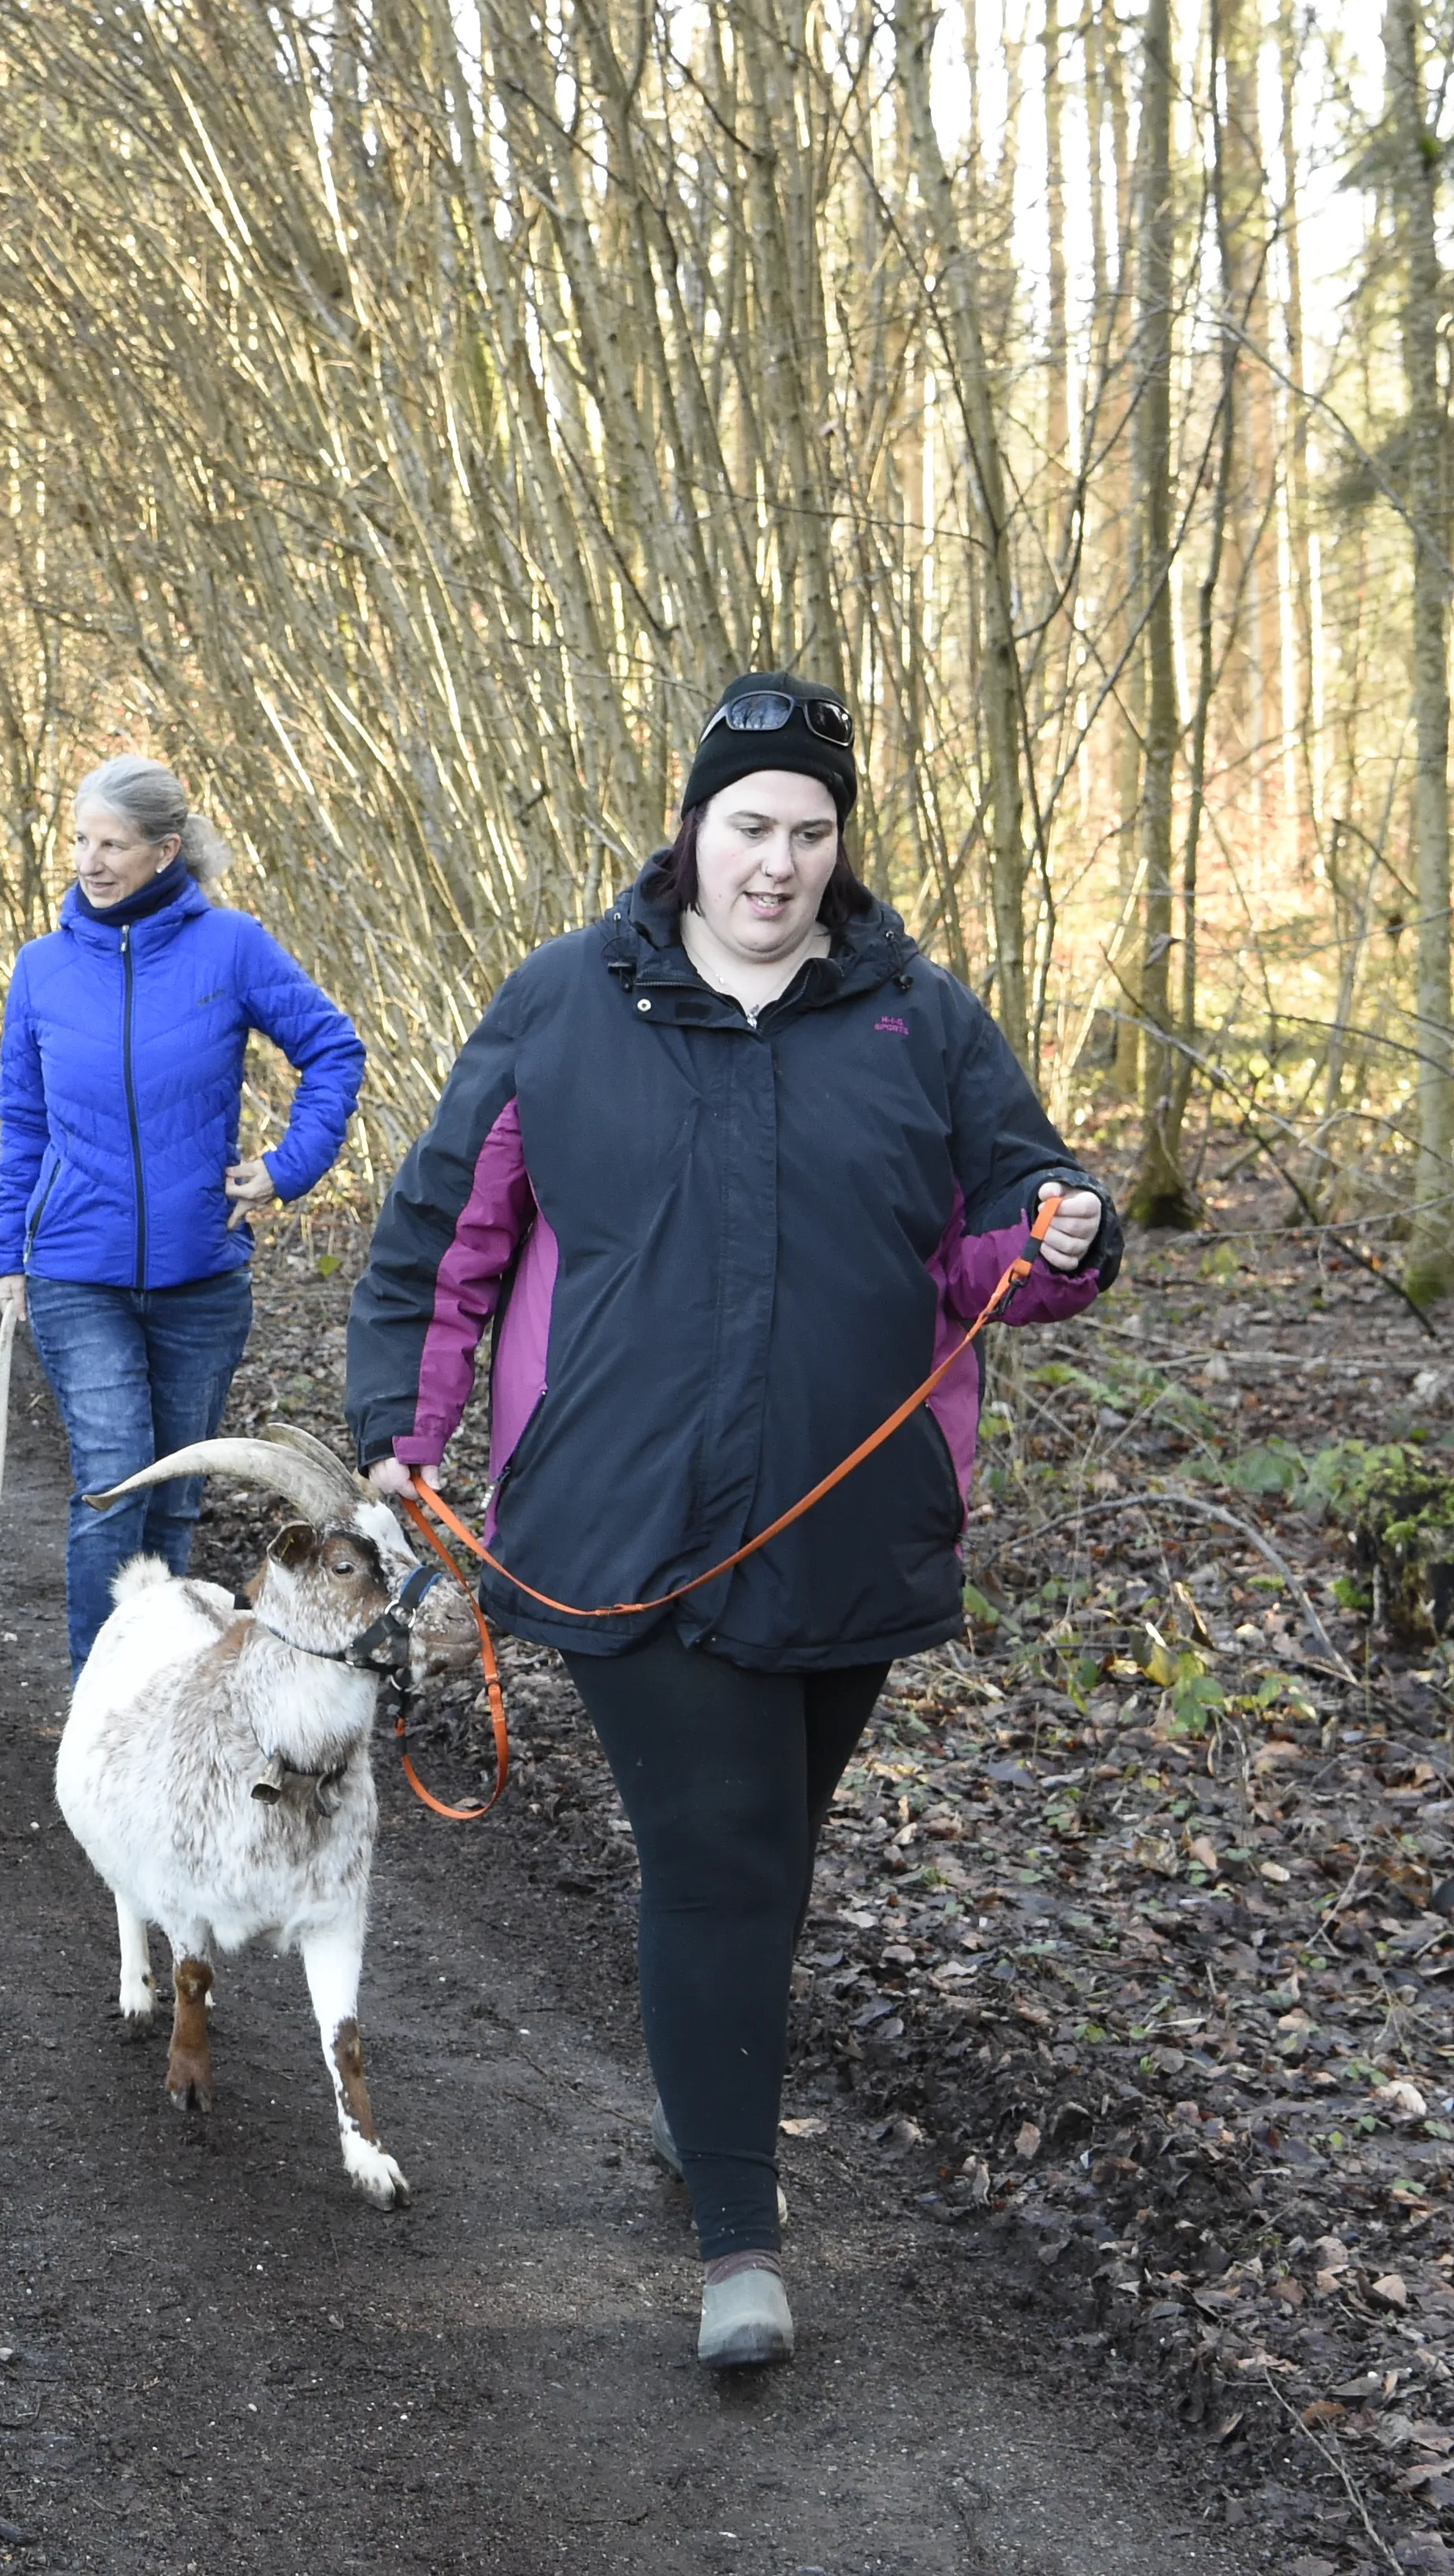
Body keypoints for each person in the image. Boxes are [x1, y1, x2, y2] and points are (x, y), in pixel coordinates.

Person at [343, 670, 1115, 2371]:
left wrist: (1061, 1235)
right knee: (720, 1851)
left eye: (809, 831)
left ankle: (703, 2095)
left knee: (769, 1853)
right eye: (749, 825)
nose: (776, 862)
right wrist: (403, 1429)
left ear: (841, 847)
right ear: (691, 828)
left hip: (853, 1515)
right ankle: (736, 2244)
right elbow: (443, 1234)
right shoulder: (564, 1000)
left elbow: (1002, 1228)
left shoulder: (919, 1017)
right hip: (618, 1517)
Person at [0, 755, 365, 1668]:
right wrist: (7, 1254)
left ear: (164, 851)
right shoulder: (40, 969)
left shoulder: (230, 947)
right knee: (115, 1479)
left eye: (111, 844)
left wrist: (286, 1166)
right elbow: (23, 1123)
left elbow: (332, 1048)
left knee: (175, 1497)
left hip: (201, 1277)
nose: (89, 861)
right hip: (75, 1268)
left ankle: (161, 1692)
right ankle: (98, 1698)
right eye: (80, 840)